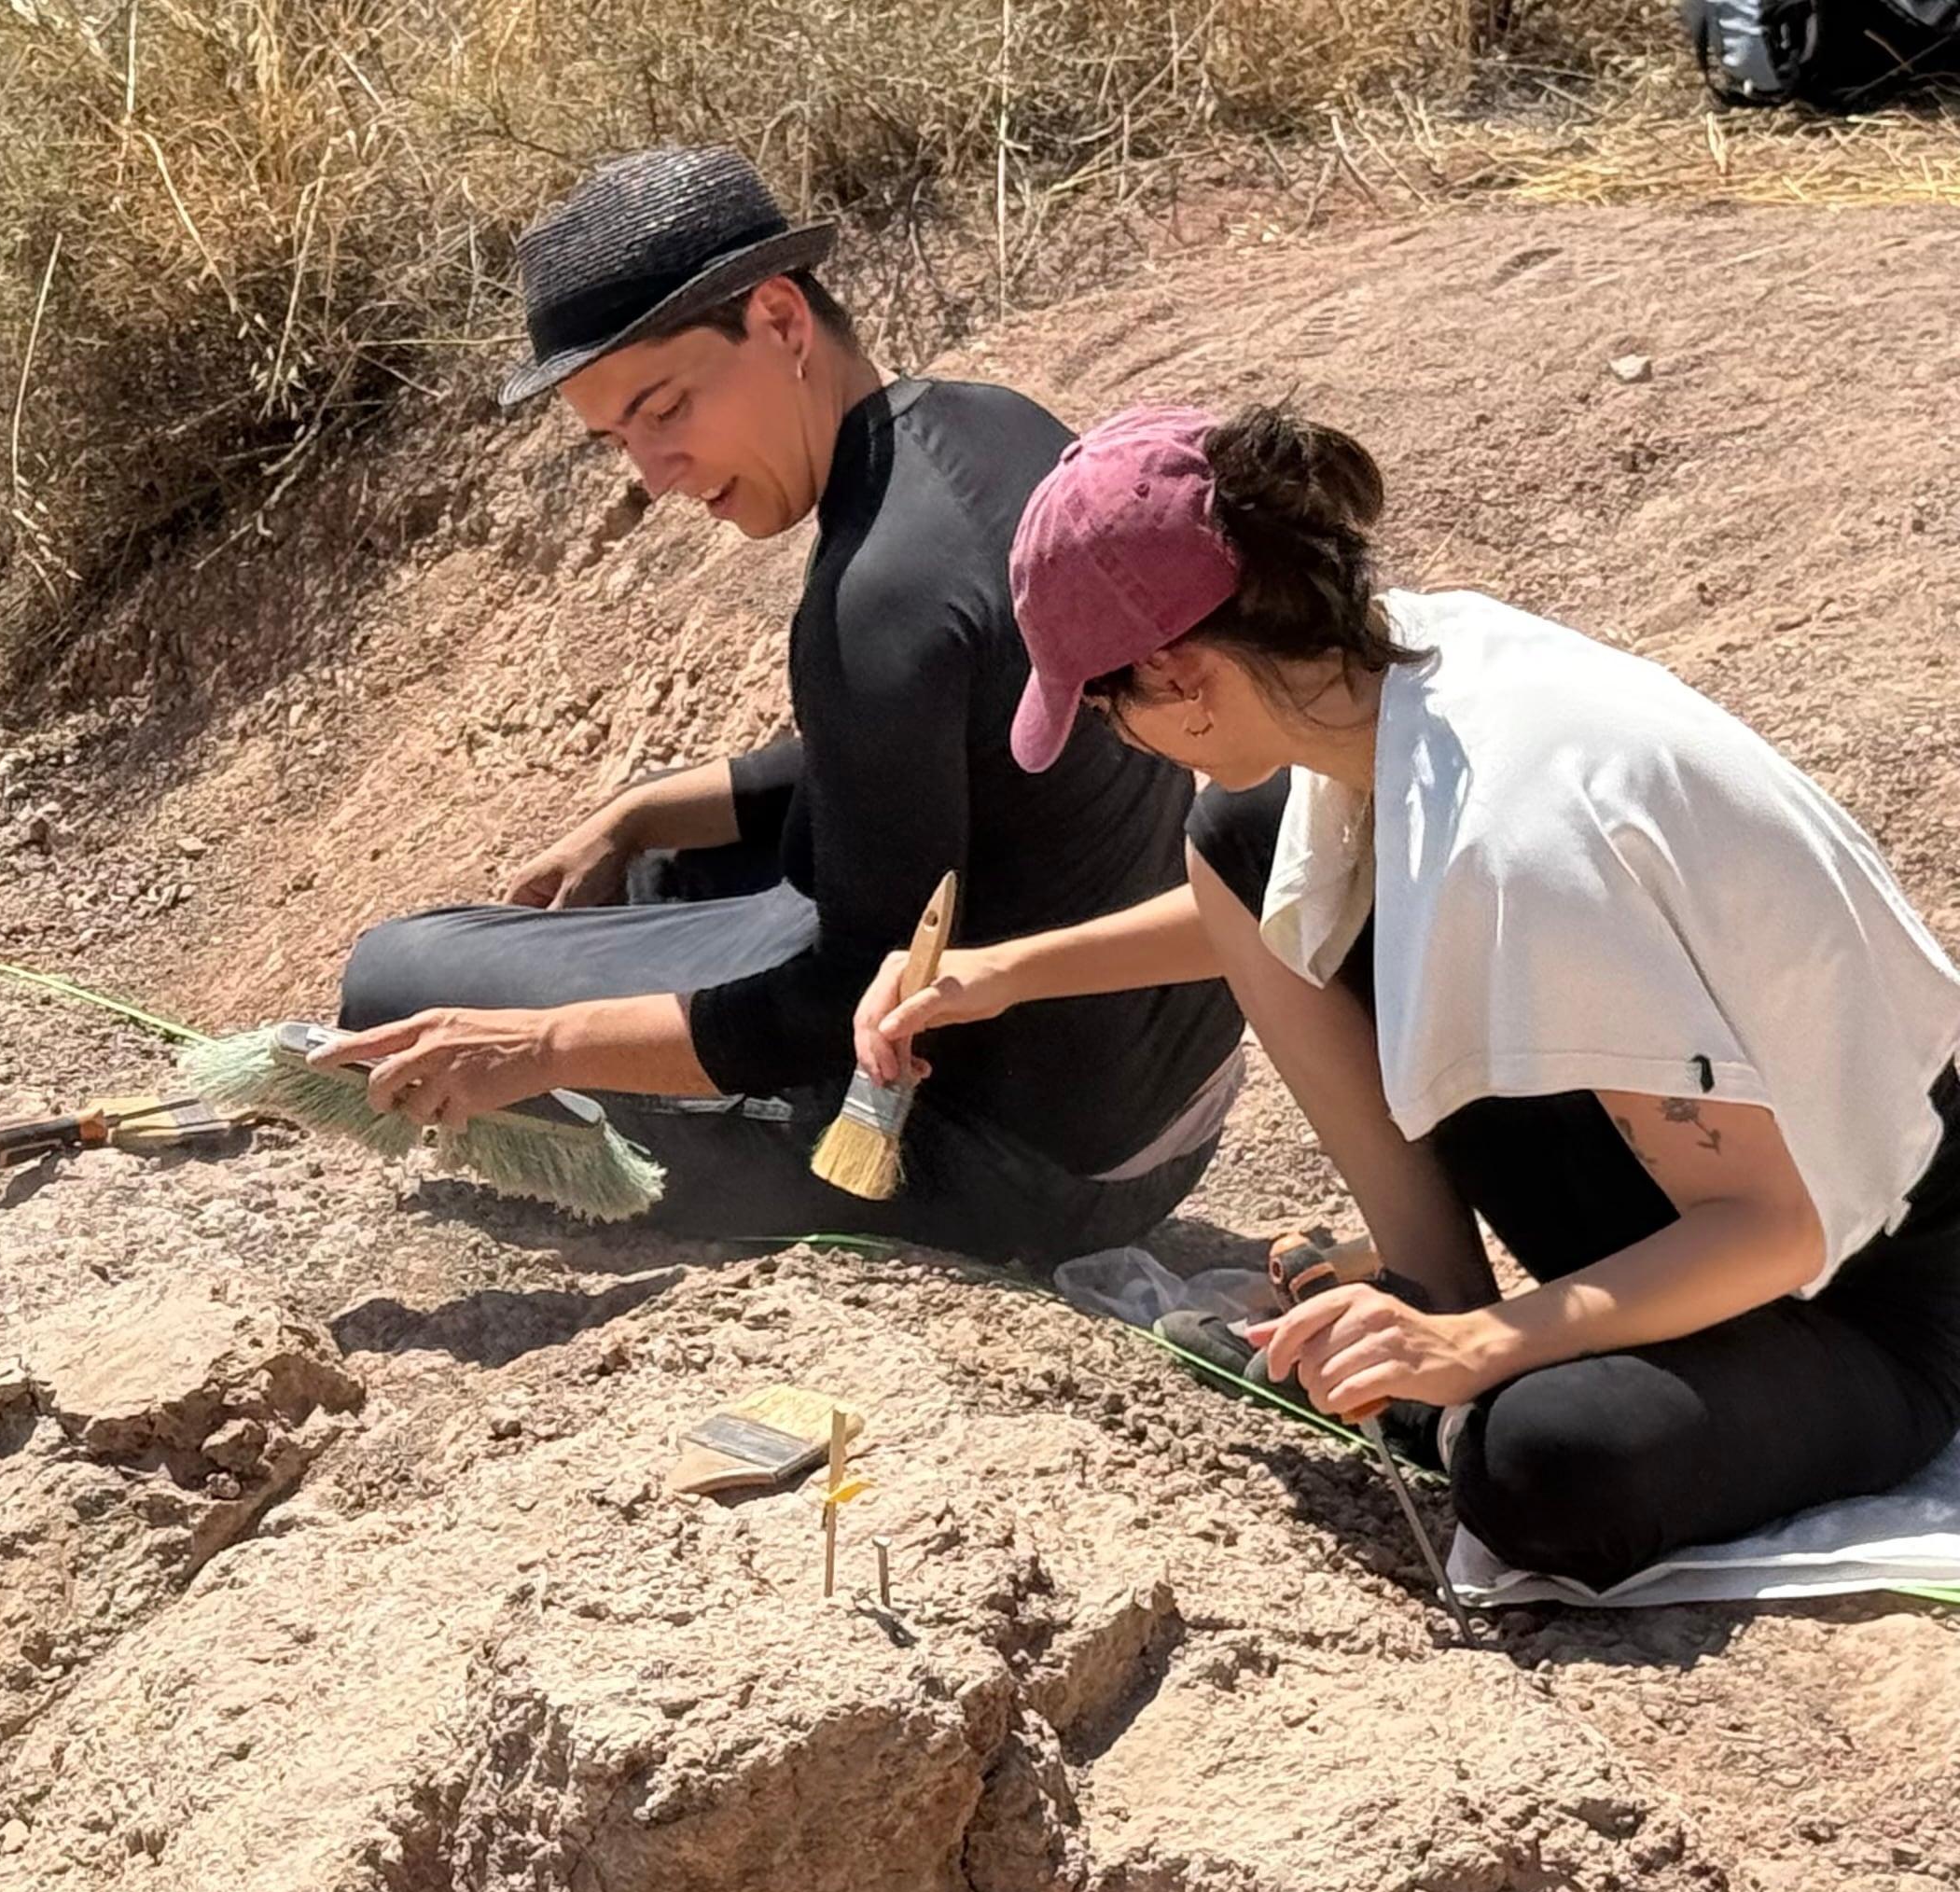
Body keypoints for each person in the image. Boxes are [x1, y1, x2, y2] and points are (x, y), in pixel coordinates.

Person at [860, 401, 1960, 1588]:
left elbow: (1772, 1225)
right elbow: (1287, 900)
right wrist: (1010, 972)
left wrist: (1482, 1346)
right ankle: (1421, 1294)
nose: (1125, 739)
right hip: (1741, 1175)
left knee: (1545, 1462)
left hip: (1870, 1281)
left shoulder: (1515, 837)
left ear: (1182, 674)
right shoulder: (1412, 670)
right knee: (1238, 832)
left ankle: (1439, 1361)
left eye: (1110, 706)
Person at [323, 145, 1244, 1267]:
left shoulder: (874, 598)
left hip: (1013, 1165)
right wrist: (643, 812)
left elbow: (830, 1003)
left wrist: (546, 1048)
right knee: (661, 872)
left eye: (665, 409)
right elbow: (940, 757)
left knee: (392, 981)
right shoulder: (988, 428)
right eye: (619, 439)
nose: (657, 471)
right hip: (1160, 1081)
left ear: (778, 319)